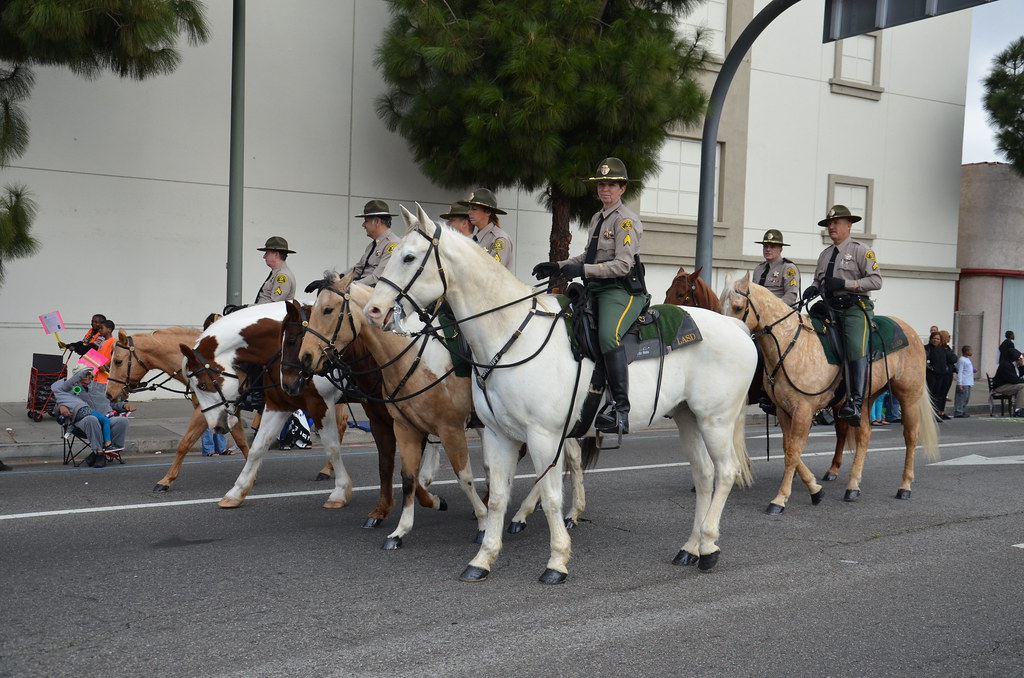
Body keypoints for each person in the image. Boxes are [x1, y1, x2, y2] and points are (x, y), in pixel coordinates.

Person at [532, 157, 648, 435]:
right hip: (596, 287)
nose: (604, 189)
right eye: (601, 184)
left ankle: (621, 410)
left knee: (608, 334)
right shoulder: (598, 217)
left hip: (621, 290)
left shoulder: (626, 221)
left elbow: (622, 265)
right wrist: (559, 266)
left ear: (622, 188)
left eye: (611, 184)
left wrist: (580, 269)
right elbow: (590, 255)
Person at [801, 204, 882, 426]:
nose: (831, 227)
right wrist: (814, 288)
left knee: (855, 346)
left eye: (836, 223)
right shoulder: (825, 254)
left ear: (849, 225)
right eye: (829, 223)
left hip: (854, 308)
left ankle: (855, 402)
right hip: (829, 307)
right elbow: (819, 280)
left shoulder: (861, 250)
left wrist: (846, 283)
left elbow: (876, 281)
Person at [51, 364, 136, 467]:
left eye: (89, 375)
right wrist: (61, 407)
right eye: (84, 375)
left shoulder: (102, 387)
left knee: (122, 421)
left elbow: (113, 403)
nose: (87, 377)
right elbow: (60, 401)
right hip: (82, 423)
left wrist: (124, 405)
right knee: (92, 419)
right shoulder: (71, 388)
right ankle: (99, 454)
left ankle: (111, 449)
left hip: (106, 419)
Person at [350, 200, 402, 287]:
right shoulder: (372, 246)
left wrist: (351, 286)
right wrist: (337, 279)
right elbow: (358, 269)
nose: (363, 225)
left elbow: (377, 278)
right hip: (363, 290)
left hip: (374, 294)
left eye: (366, 221)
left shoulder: (393, 244)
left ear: (377, 221)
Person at [459, 189, 514, 271]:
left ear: (488, 212)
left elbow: (495, 273)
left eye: (474, 209)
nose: (469, 213)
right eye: (469, 209)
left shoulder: (499, 240)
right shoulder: (476, 239)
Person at [752, 229, 801, 306]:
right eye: (765, 246)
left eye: (772, 246)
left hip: (780, 313)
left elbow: (790, 297)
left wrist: (771, 307)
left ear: (781, 249)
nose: (768, 249)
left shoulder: (788, 269)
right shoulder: (759, 269)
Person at [924, 331, 956, 419]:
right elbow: (925, 360)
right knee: (930, 396)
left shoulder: (942, 349)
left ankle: (935, 414)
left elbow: (952, 358)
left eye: (938, 339)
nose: (936, 340)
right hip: (930, 376)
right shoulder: (926, 348)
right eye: (934, 338)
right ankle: (927, 415)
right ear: (930, 339)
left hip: (941, 376)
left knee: (937, 396)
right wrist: (930, 368)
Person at [255, 237, 296, 304]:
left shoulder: (282, 276)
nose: (264, 256)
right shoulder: (277, 273)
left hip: (266, 313)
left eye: (267, 253)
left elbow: (274, 305)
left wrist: (248, 308)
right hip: (262, 311)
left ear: (276, 254)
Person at [954, 345, 976, 418]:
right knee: (961, 398)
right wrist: (959, 383)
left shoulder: (967, 359)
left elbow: (967, 369)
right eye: (971, 350)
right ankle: (958, 411)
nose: (972, 352)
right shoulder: (962, 359)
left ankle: (963, 411)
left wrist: (973, 370)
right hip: (963, 382)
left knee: (966, 398)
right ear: (966, 352)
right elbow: (960, 371)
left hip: (968, 382)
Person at [92, 319, 117, 386]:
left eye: (101, 328)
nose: (99, 330)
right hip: (97, 377)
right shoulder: (101, 341)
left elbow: (116, 358)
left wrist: (106, 367)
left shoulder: (114, 341)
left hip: (106, 378)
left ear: (109, 329)